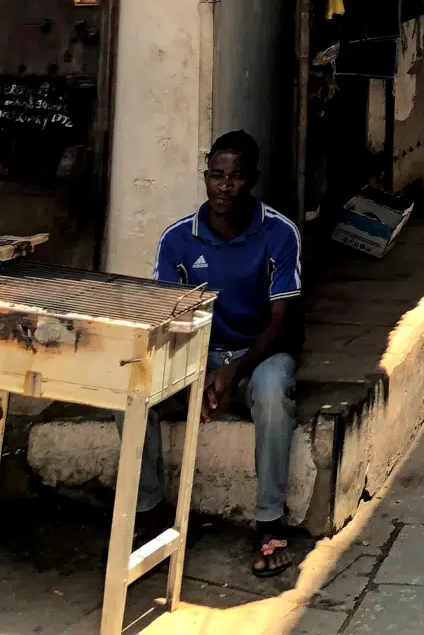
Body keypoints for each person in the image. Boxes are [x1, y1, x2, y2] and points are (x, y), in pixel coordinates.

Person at [136, 131, 303, 575]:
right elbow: (170, 320)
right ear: (206, 177)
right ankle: (148, 511)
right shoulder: (178, 239)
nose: (224, 186)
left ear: (252, 180)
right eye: (216, 175)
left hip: (257, 355)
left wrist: (231, 372)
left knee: (272, 392)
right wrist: (199, 379)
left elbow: (281, 323)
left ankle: (269, 523)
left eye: (235, 177)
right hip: (198, 356)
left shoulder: (280, 233)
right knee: (132, 389)